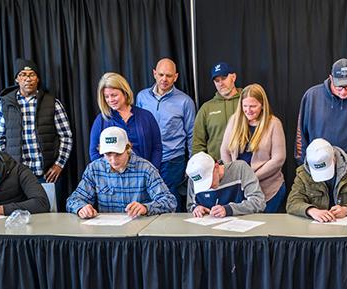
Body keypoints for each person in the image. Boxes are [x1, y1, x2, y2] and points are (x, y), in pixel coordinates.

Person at [0, 58, 73, 184]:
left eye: (32, 75)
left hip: (46, 175)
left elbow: (66, 136)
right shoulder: (5, 104)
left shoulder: (52, 103)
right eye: (22, 75)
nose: (28, 79)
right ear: (17, 79)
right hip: (17, 176)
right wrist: (6, 166)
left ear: (37, 79)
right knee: (19, 205)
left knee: (48, 204)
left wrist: (59, 164)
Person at [67, 127, 176, 219]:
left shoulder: (146, 169)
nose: (113, 160)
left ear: (128, 148)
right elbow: (73, 199)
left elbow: (170, 201)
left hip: (139, 231)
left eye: (118, 154)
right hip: (107, 232)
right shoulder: (94, 169)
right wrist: (81, 208)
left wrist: (146, 208)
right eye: (108, 154)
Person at [295, 58, 347, 170]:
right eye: (339, 86)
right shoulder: (311, 97)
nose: (343, 92)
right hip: (316, 168)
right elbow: (301, 136)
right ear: (331, 78)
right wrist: (303, 167)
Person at [136, 58, 196, 212]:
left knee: (172, 203)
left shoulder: (185, 101)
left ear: (176, 77)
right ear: (154, 74)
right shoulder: (142, 97)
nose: (164, 79)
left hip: (173, 161)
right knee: (148, 203)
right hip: (146, 160)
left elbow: (191, 135)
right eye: (161, 74)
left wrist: (191, 163)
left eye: (169, 76)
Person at [220, 84, 286, 212]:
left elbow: (278, 159)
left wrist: (250, 177)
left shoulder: (274, 123)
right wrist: (233, 175)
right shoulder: (235, 120)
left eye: (253, 106)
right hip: (240, 188)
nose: (248, 110)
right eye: (245, 106)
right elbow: (225, 150)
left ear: (262, 105)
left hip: (269, 189)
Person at [287, 138, 347, 222]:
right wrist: (311, 211)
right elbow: (292, 203)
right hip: (317, 232)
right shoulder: (303, 173)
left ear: (334, 157)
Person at [89, 72, 162, 169]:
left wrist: (151, 171)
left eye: (114, 95)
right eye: (107, 96)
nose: (110, 100)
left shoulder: (146, 116)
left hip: (144, 177)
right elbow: (94, 153)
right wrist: (108, 175)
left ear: (125, 92)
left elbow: (157, 148)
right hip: (113, 180)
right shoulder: (101, 120)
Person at [186, 151, 265, 217]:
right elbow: (190, 205)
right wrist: (196, 209)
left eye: (209, 180)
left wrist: (229, 209)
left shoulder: (240, 169)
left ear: (216, 167)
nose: (208, 187)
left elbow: (258, 202)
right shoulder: (194, 179)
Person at [193, 62, 242, 160]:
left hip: (246, 165)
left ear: (233, 77)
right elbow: (197, 143)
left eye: (224, 78)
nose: (221, 83)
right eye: (217, 80)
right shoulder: (206, 108)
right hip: (217, 168)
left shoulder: (246, 101)